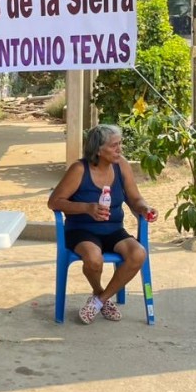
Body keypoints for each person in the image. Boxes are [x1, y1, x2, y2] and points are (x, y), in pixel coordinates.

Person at [47, 124, 157, 324]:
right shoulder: (79, 169)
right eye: (114, 146)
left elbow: (135, 198)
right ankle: (100, 293)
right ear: (98, 149)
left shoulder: (121, 165)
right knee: (93, 258)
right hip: (81, 230)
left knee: (138, 253)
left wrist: (145, 209)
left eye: (120, 144)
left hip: (113, 229)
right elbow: (54, 202)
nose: (119, 149)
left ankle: (99, 301)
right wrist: (87, 208)